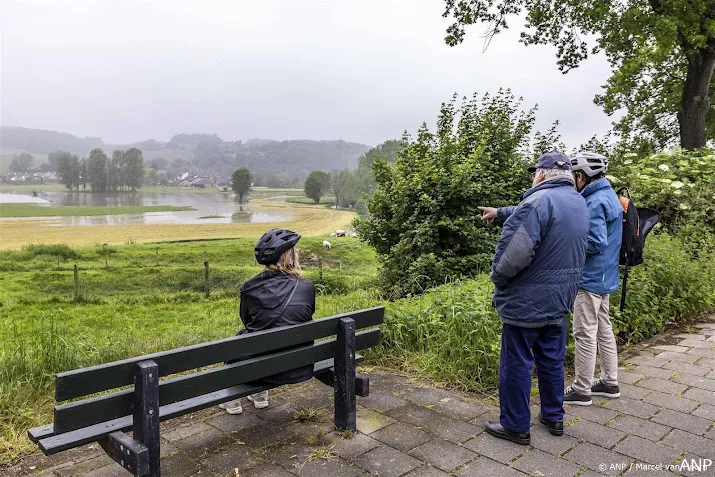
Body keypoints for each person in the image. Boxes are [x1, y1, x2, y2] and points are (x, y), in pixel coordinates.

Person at [479, 151, 589, 445]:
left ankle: (516, 426)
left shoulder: (537, 202)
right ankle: (554, 416)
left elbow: (513, 257)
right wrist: (500, 211)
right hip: (560, 298)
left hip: (527, 302)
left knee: (517, 363)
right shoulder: (578, 202)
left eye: (535, 172)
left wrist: (498, 280)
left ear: (542, 174)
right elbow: (545, 217)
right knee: (552, 360)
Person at [220, 228, 316, 415]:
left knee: (238, 345)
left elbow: (248, 322)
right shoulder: (307, 287)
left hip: (262, 367)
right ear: (289, 257)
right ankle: (260, 397)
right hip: (299, 365)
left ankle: (232, 401)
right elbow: (305, 315)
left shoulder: (249, 288)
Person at [564, 152, 623, 406]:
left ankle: (581, 389)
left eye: (574, 177)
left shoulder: (594, 201)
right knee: (604, 328)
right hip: (606, 273)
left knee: (584, 332)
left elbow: (595, 242)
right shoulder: (609, 195)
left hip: (590, 277)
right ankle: (609, 382)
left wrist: (567, 243)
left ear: (581, 176)